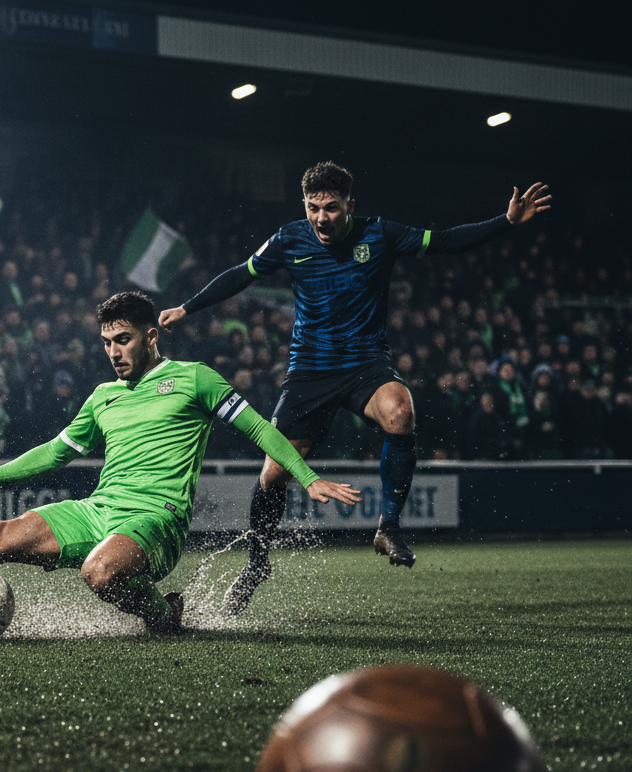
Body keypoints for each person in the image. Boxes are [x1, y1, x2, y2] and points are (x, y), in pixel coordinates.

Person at [0, 291, 360, 633]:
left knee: (101, 572)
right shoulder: (103, 396)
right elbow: (55, 453)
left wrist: (307, 477)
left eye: (124, 339)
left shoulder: (196, 379)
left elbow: (261, 428)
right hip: (99, 509)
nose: (113, 350)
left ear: (151, 335)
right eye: (106, 341)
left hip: (155, 520)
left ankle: (164, 615)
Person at [159, 161, 551, 615]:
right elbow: (241, 274)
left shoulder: (379, 234)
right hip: (309, 373)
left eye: (330, 207)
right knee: (273, 474)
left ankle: (388, 525)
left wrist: (505, 222)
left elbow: (444, 242)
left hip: (366, 366)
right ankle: (257, 562)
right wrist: (187, 309)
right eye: (313, 208)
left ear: (350, 205)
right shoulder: (290, 238)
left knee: (400, 410)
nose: (321, 218)